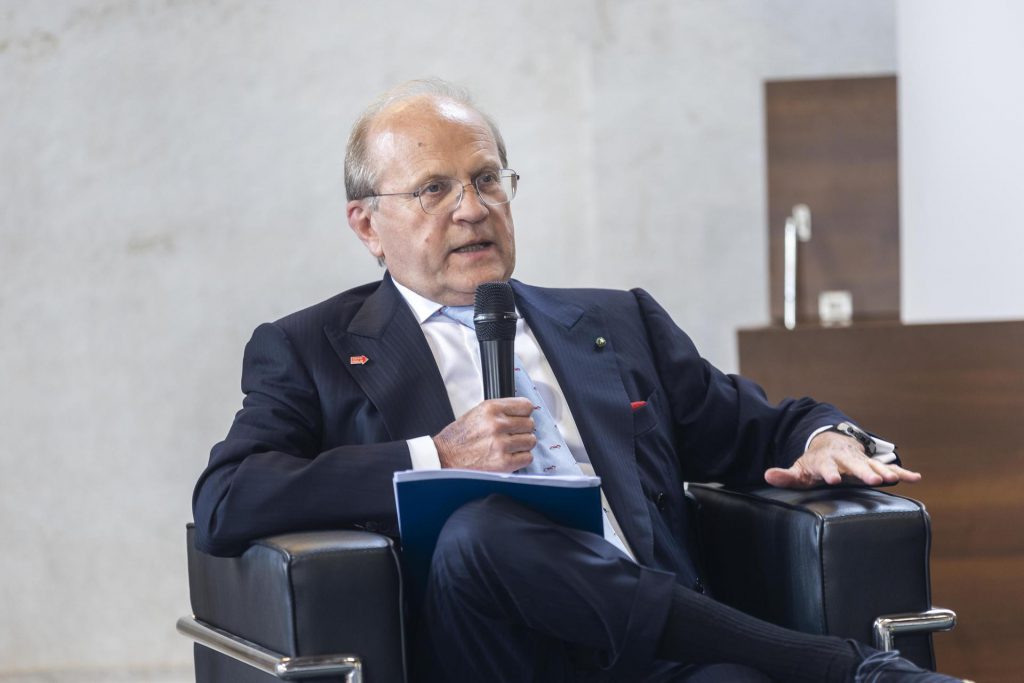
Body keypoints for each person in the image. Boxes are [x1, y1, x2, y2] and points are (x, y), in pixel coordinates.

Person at [192, 79, 968, 682]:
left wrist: (826, 437)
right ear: (367, 224)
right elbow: (226, 498)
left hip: (666, 654)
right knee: (479, 530)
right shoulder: (313, 349)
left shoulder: (616, 321)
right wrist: (435, 455)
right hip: (490, 658)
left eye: (488, 179)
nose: (472, 209)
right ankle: (838, 668)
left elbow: (765, 426)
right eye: (434, 189)